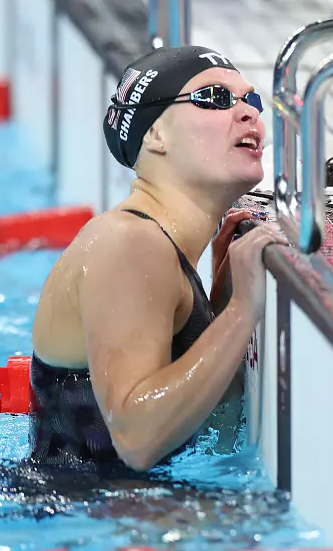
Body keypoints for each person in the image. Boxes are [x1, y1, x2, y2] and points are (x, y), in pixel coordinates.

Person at [30, 45, 287, 474]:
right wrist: (240, 314)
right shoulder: (131, 243)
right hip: (84, 525)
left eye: (250, 99)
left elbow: (207, 430)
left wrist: (217, 312)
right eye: (214, 98)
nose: (248, 114)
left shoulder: (158, 246)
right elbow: (137, 439)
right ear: (154, 135)